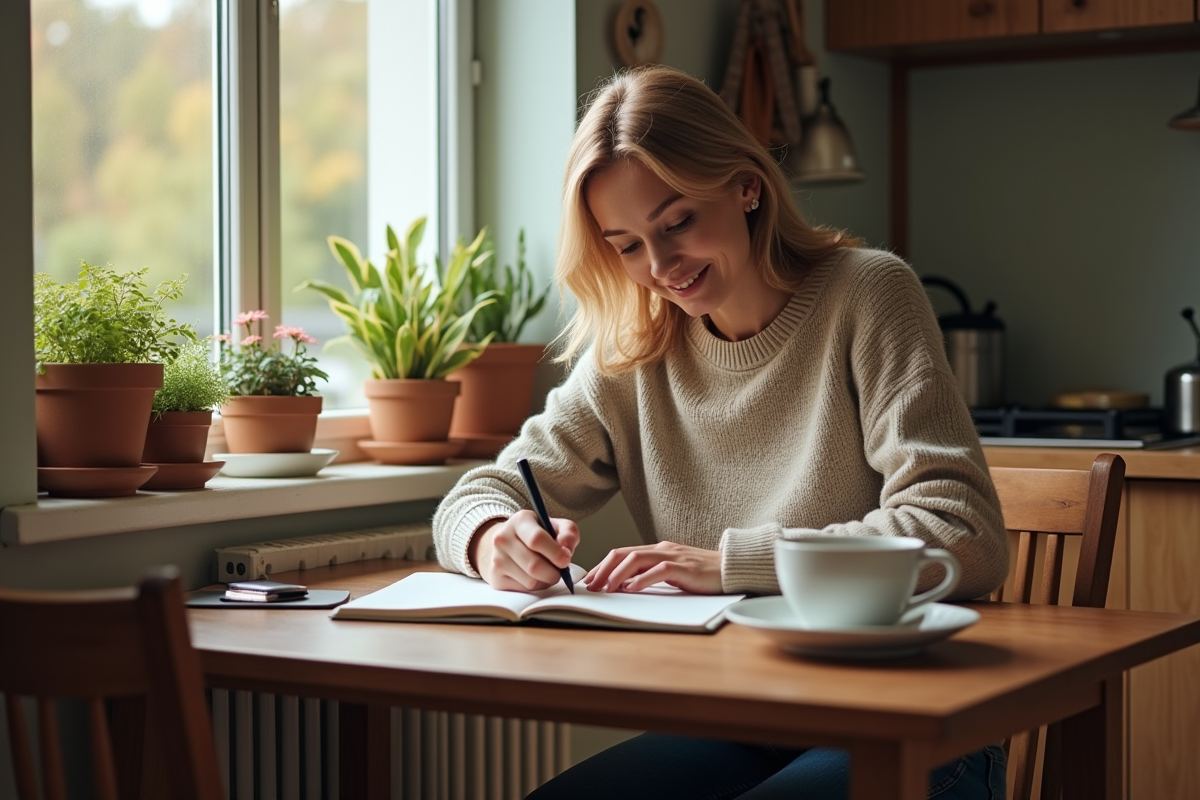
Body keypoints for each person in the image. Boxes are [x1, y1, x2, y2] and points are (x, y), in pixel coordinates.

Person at [432, 65, 1009, 800]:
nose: (662, 267)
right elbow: (482, 492)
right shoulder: (635, 349)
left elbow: (963, 534)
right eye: (627, 244)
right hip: (733, 718)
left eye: (676, 223)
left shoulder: (868, 294)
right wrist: (490, 539)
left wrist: (730, 564)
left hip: (904, 720)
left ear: (746, 186)